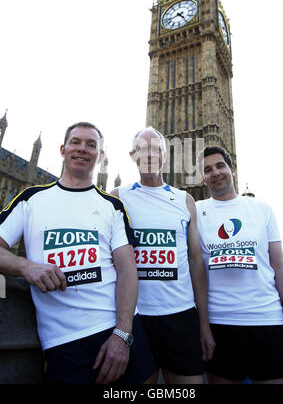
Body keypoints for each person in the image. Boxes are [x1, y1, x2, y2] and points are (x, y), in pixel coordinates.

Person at [0, 122, 155, 385]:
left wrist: (123, 333)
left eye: (91, 145)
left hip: (121, 330)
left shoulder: (112, 205)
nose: (82, 149)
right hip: (64, 341)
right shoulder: (30, 199)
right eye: (76, 142)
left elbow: (128, 269)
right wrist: (27, 267)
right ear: (63, 149)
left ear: (100, 156)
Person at [111, 127, 215, 384]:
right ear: (132, 155)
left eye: (156, 149)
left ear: (165, 156)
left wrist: (204, 324)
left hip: (180, 316)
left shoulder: (184, 200)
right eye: (142, 150)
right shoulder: (116, 198)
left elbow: (195, 262)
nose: (149, 155)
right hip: (135, 319)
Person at [196, 145, 283, 384]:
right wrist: (202, 327)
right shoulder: (196, 211)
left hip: (268, 320)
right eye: (208, 169)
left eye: (220, 166)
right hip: (219, 324)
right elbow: (196, 270)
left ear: (232, 170)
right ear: (202, 178)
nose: (215, 173)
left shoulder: (261, 209)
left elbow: (280, 266)